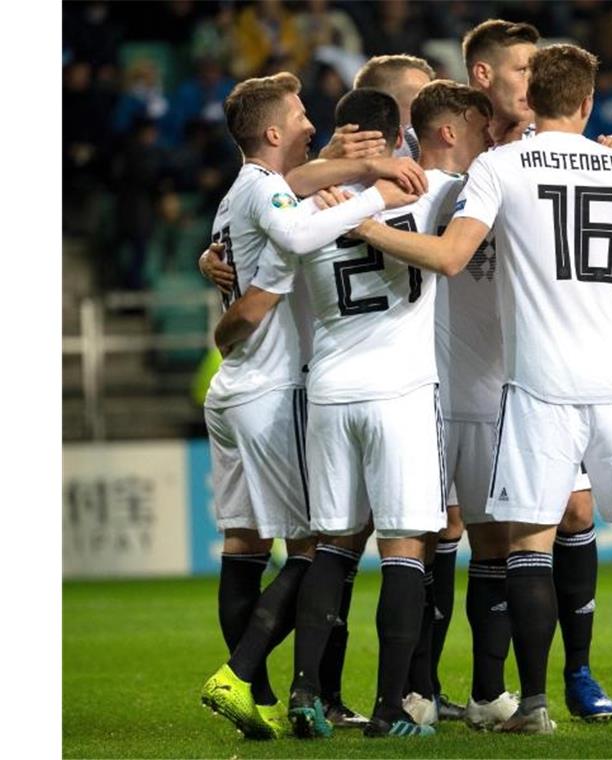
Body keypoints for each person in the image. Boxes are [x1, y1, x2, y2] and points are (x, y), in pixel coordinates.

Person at [343, 42, 612, 735]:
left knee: (528, 543)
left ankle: (534, 705)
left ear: (530, 97)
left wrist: (364, 228)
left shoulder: (499, 165)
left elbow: (453, 257)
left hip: (540, 381)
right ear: (585, 103)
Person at [213, 83, 492, 740]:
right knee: (404, 548)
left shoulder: (309, 200)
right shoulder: (429, 189)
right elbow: (481, 189)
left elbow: (276, 218)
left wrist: (351, 179)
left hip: (329, 391)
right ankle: (393, 706)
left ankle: (308, 692)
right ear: (400, 137)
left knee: (331, 547)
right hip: (400, 388)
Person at [198, 72, 417, 740]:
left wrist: (364, 165)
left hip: (231, 388)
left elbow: (273, 221)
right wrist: (377, 191)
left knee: (243, 544)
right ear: (272, 132)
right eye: (297, 115)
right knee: (316, 549)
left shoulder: (241, 196)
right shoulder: (267, 190)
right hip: (269, 391)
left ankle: (259, 696)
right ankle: (243, 675)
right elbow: (294, 239)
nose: (308, 123)